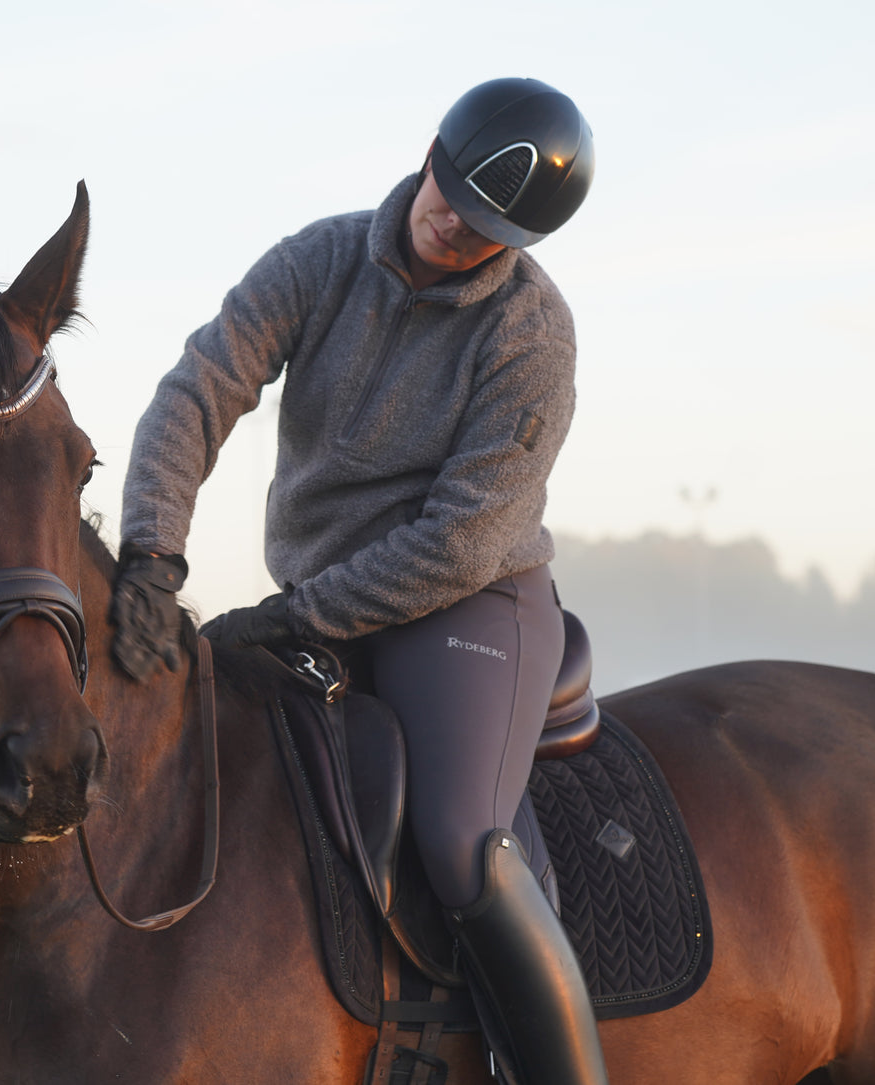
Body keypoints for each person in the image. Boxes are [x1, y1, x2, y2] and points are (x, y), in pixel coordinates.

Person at [110, 78, 607, 1085]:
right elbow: (198, 389)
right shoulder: (319, 259)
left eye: (487, 231)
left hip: (468, 604)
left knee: (459, 841)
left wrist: (295, 615)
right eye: (452, 199)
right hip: (317, 596)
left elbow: (458, 543)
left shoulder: (531, 333)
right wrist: (152, 555)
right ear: (430, 156)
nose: (455, 230)